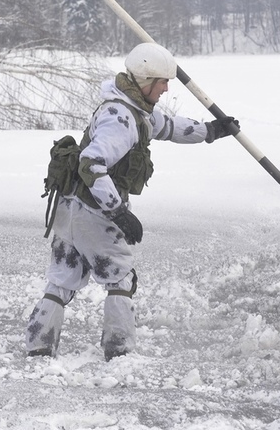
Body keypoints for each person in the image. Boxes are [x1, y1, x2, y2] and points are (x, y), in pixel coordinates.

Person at [25, 42, 237, 361]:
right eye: (162, 81)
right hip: (93, 212)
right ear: (144, 80)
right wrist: (119, 213)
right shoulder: (120, 118)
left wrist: (210, 130)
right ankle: (119, 350)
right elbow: (91, 163)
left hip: (70, 209)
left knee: (62, 279)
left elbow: (168, 126)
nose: (166, 87)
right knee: (121, 277)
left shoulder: (134, 110)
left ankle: (39, 346)